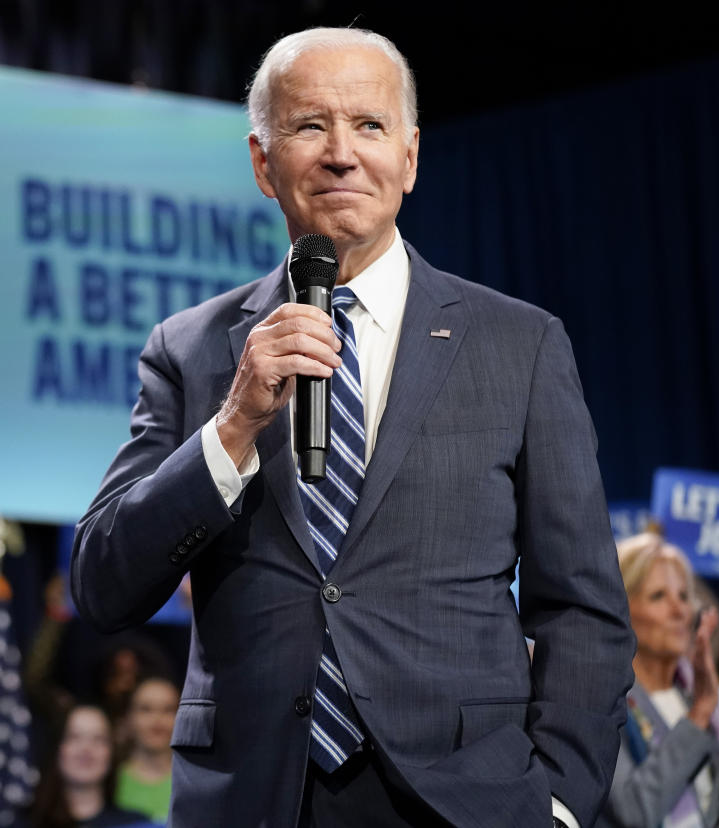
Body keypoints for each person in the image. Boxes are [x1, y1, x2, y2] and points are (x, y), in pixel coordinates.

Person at [71, 25, 635, 828]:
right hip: (254, 799)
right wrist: (233, 428)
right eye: (310, 126)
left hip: (462, 801)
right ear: (264, 164)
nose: (342, 153)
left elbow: (582, 607)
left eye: (368, 126)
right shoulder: (190, 350)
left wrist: (558, 802)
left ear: (409, 156)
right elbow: (102, 584)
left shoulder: (520, 344)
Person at [598, 532, 719, 827]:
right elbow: (632, 813)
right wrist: (698, 716)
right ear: (621, 608)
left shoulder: (712, 701)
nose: (679, 610)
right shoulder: (603, 708)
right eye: (659, 596)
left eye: (684, 596)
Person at [29, 704, 156, 828]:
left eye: (98, 739)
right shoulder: (25, 822)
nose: (86, 748)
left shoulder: (139, 824)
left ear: (112, 752)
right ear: (57, 748)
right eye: (75, 737)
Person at [113, 677, 178, 824]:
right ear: (128, 718)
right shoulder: (109, 780)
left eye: (168, 710)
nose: (157, 719)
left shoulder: (195, 783)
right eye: (146, 709)